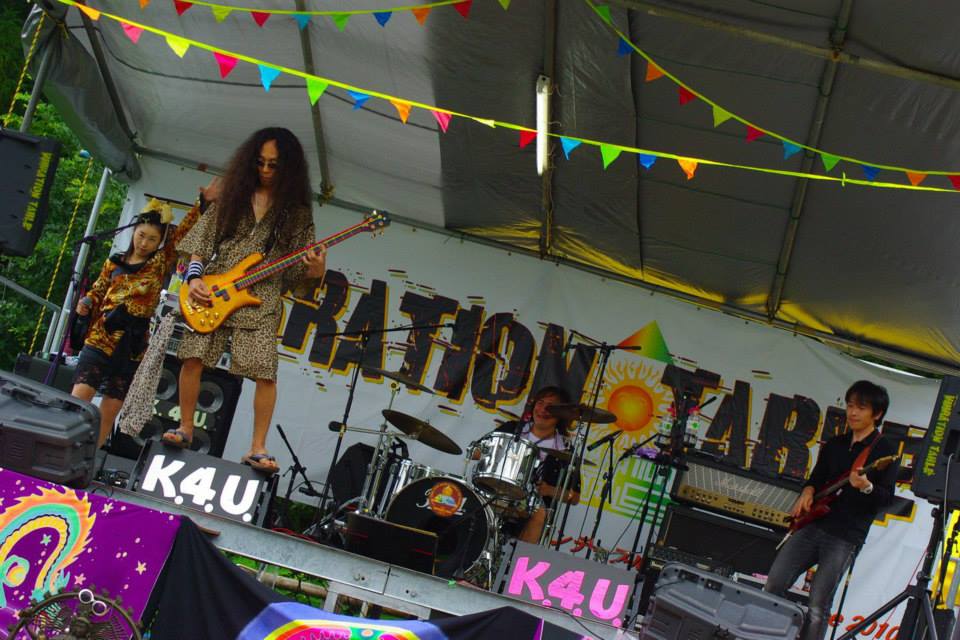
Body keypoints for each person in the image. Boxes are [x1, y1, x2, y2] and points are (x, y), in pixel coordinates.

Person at [163, 127, 327, 474]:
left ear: (288, 168)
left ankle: (257, 448)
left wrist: (316, 271)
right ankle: (185, 428)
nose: (265, 170)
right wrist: (194, 278)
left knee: (265, 372)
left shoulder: (297, 214)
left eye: (273, 165)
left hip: (261, 297)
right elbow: (201, 242)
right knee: (193, 355)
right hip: (216, 285)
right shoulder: (233, 194)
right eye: (260, 162)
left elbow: (296, 277)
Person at [764, 380, 898, 640]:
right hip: (813, 524)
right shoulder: (836, 443)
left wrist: (866, 486)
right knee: (774, 584)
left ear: (877, 413)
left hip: (845, 536)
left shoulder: (885, 451)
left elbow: (886, 499)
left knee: (818, 605)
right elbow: (816, 478)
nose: (853, 412)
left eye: (861, 407)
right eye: (850, 406)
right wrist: (807, 491)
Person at [72, 197, 202, 446]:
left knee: (109, 411)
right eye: (141, 235)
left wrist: (202, 203)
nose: (144, 243)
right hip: (101, 338)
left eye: (152, 239)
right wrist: (86, 302)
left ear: (159, 242)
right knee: (79, 403)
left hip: (132, 346)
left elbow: (180, 235)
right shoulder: (114, 262)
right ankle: (63, 452)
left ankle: (89, 458)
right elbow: (97, 291)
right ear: (133, 232)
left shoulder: (159, 262)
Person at [479, 386, 581, 544]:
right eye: (540, 403)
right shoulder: (513, 429)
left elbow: (574, 497)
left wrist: (549, 490)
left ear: (561, 415)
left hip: (530, 508)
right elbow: (476, 452)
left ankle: (519, 557)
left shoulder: (565, 450)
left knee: (540, 513)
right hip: (495, 491)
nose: (543, 409)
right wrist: (497, 453)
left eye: (551, 406)